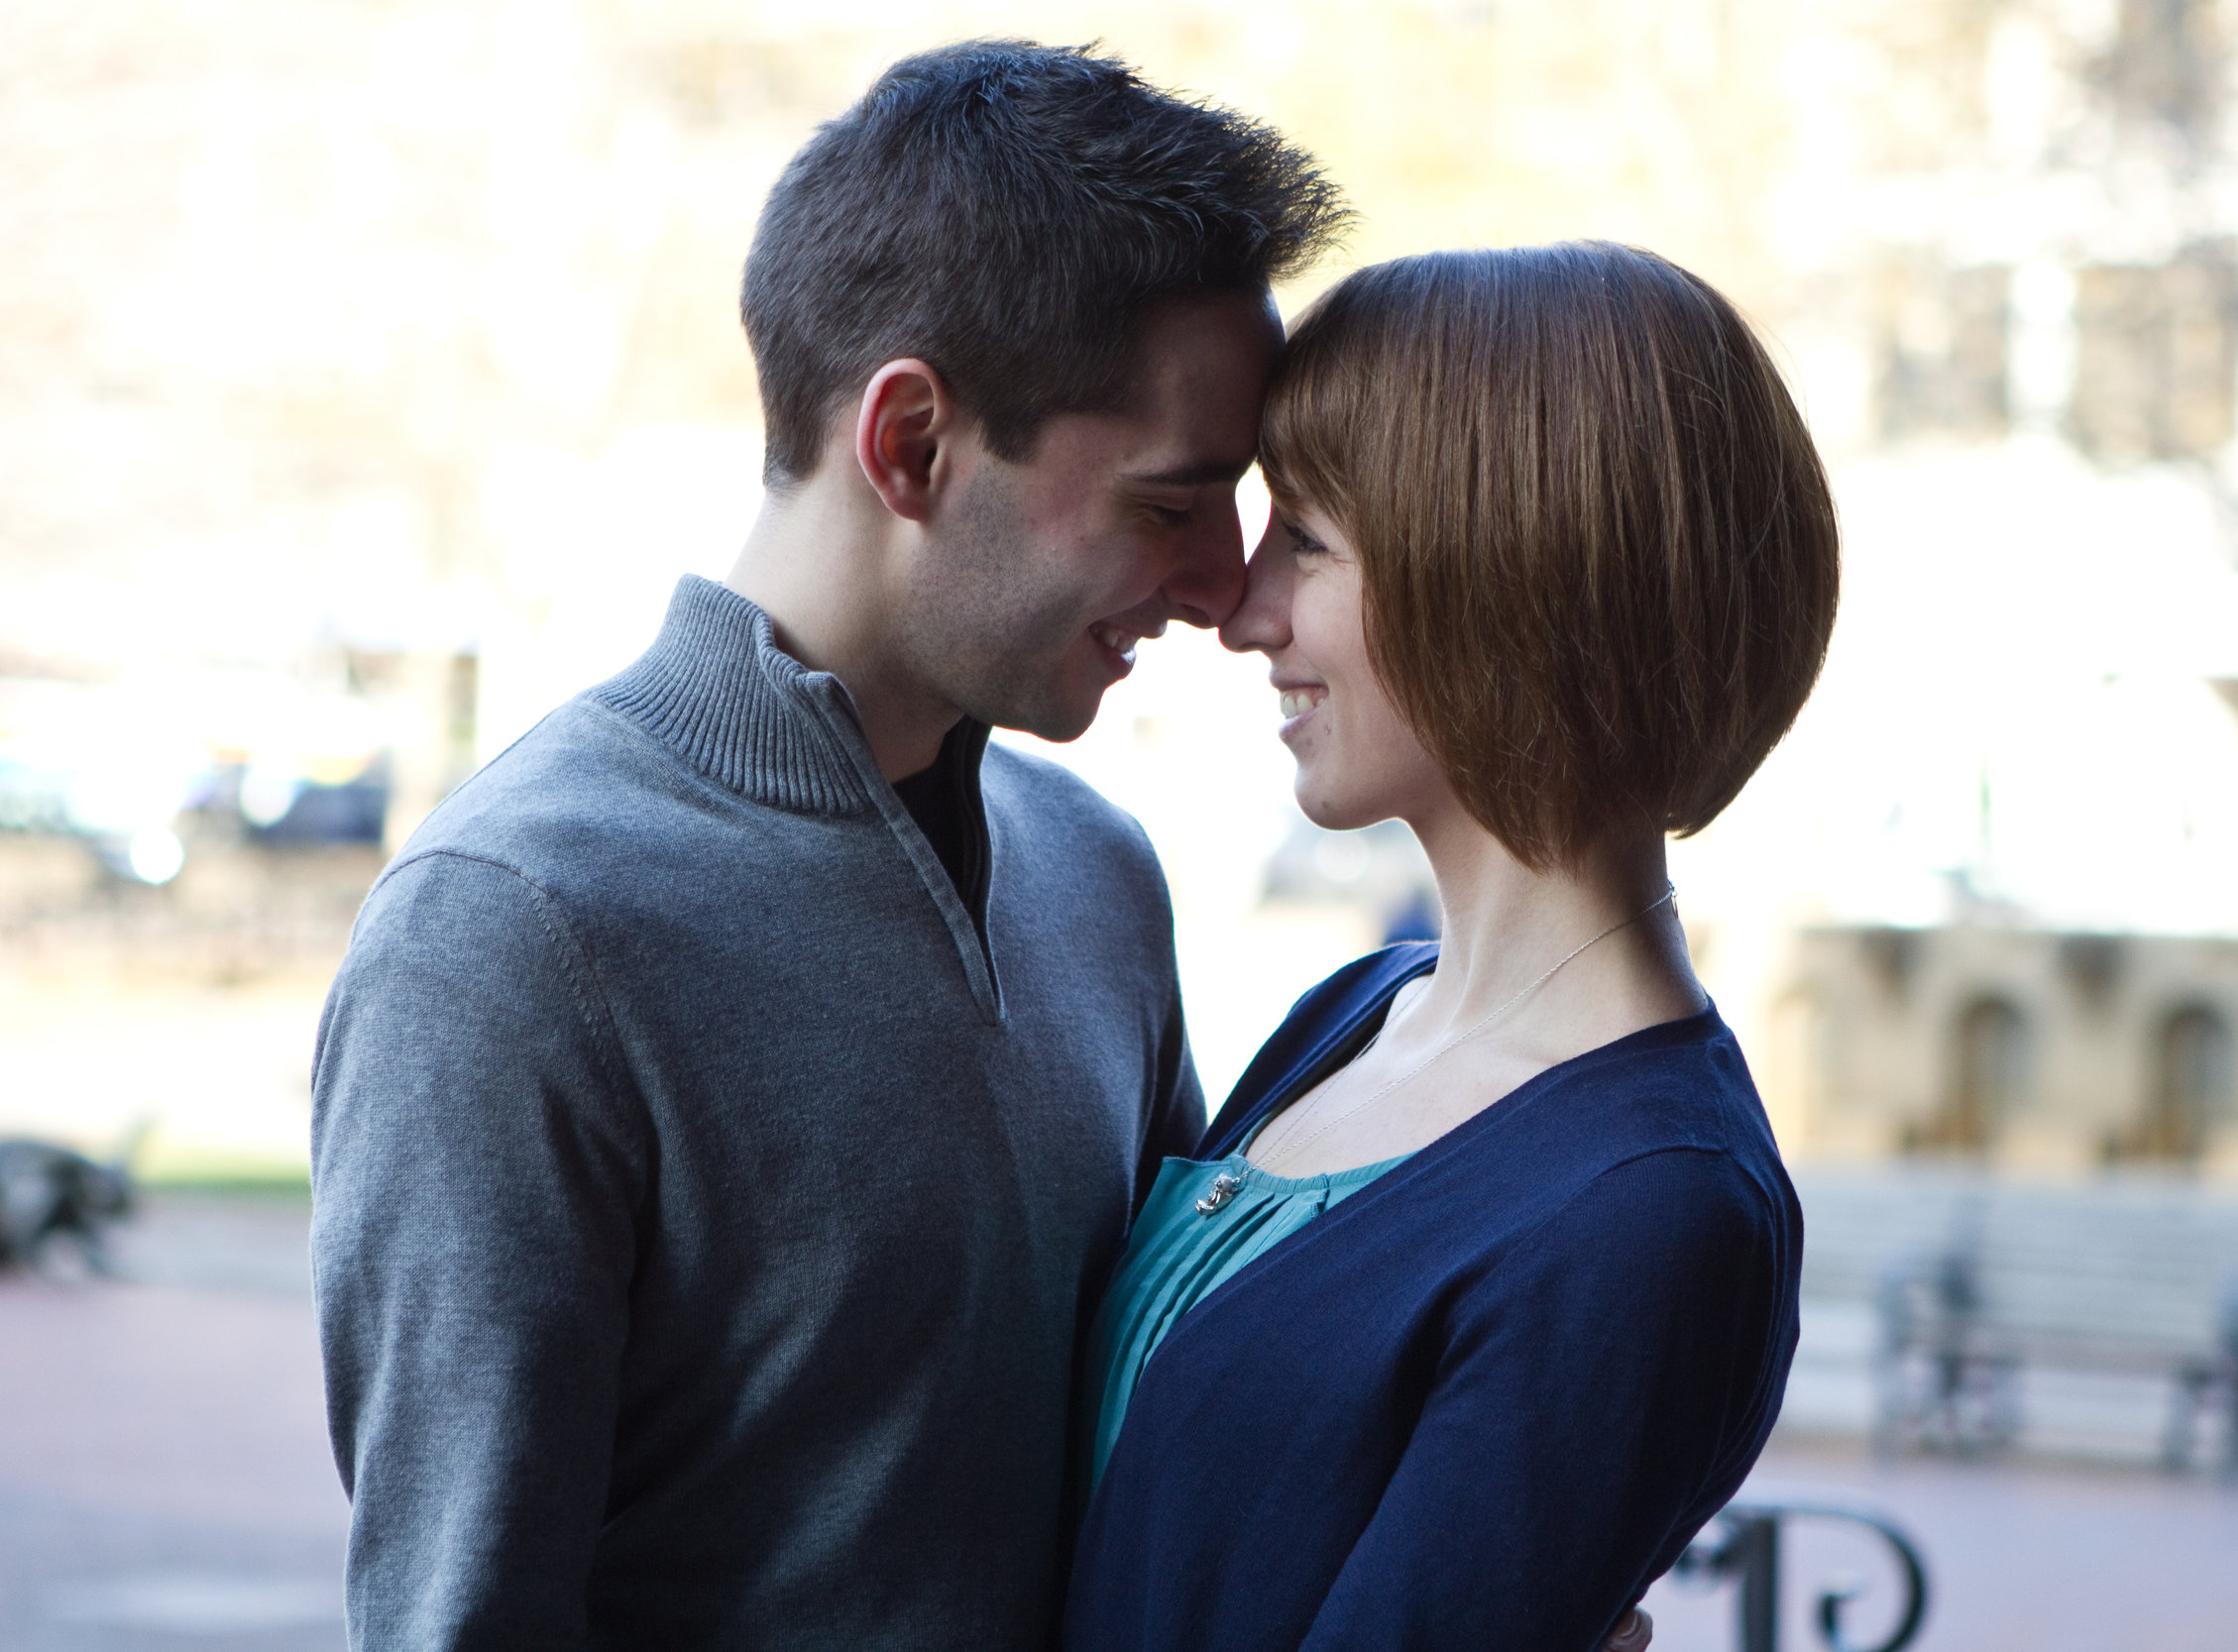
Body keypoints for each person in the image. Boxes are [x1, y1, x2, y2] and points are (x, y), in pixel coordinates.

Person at [308, 42, 1343, 1650]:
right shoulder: (508, 937)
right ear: (912, 441)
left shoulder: (1096, 875)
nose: (1224, 586)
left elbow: (1173, 1462)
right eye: (1167, 503)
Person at [1063, 242, 1839, 1650]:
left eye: (1306, 538)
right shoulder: (1357, 1011)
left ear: (1502, 574)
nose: (1243, 614)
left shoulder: (1652, 1212)